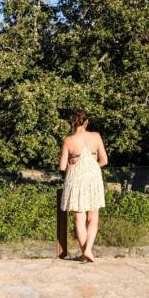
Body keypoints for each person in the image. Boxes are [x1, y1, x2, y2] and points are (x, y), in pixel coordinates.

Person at [59, 110, 108, 262]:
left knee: (79, 218)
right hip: (93, 178)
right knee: (93, 217)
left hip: (76, 179)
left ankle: (85, 253)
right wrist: (91, 167)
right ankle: (87, 250)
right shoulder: (96, 136)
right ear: (86, 122)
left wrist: (75, 168)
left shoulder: (68, 140)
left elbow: (62, 167)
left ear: (72, 123)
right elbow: (104, 160)